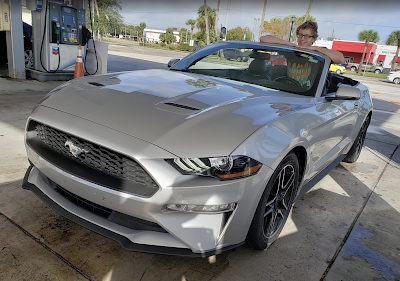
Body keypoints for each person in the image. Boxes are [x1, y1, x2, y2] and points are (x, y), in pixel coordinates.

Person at [260, 21, 344, 64]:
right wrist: (289, 44)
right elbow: (263, 39)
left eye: (307, 36)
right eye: (300, 35)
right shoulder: (291, 51)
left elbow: (340, 59)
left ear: (313, 39)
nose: (302, 39)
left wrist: (314, 48)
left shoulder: (320, 54)